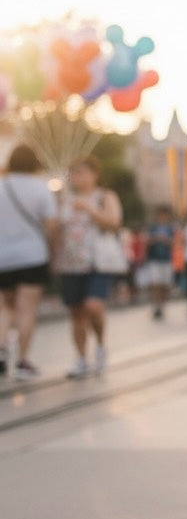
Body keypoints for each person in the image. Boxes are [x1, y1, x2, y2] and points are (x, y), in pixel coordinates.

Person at [56, 156, 125, 379]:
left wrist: (90, 209)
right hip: (71, 262)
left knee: (93, 306)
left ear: (94, 174)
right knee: (76, 312)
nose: (77, 177)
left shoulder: (105, 197)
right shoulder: (65, 200)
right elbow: (57, 228)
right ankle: (81, 358)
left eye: (82, 172)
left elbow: (114, 222)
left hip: (98, 261)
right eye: (74, 173)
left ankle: (101, 345)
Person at [0, 144, 59, 380]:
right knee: (27, 309)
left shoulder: (1, 185)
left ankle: (1, 349)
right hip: (33, 255)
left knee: (5, 307)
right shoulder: (40, 188)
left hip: (3, 257)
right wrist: (53, 254)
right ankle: (23, 362)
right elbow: (52, 226)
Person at [143, 205, 176, 320]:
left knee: (165, 285)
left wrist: (165, 240)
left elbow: (175, 242)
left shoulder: (170, 228)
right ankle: (156, 306)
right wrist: (154, 239)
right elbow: (146, 242)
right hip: (154, 259)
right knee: (156, 283)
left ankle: (162, 305)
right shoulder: (152, 228)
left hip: (166, 259)